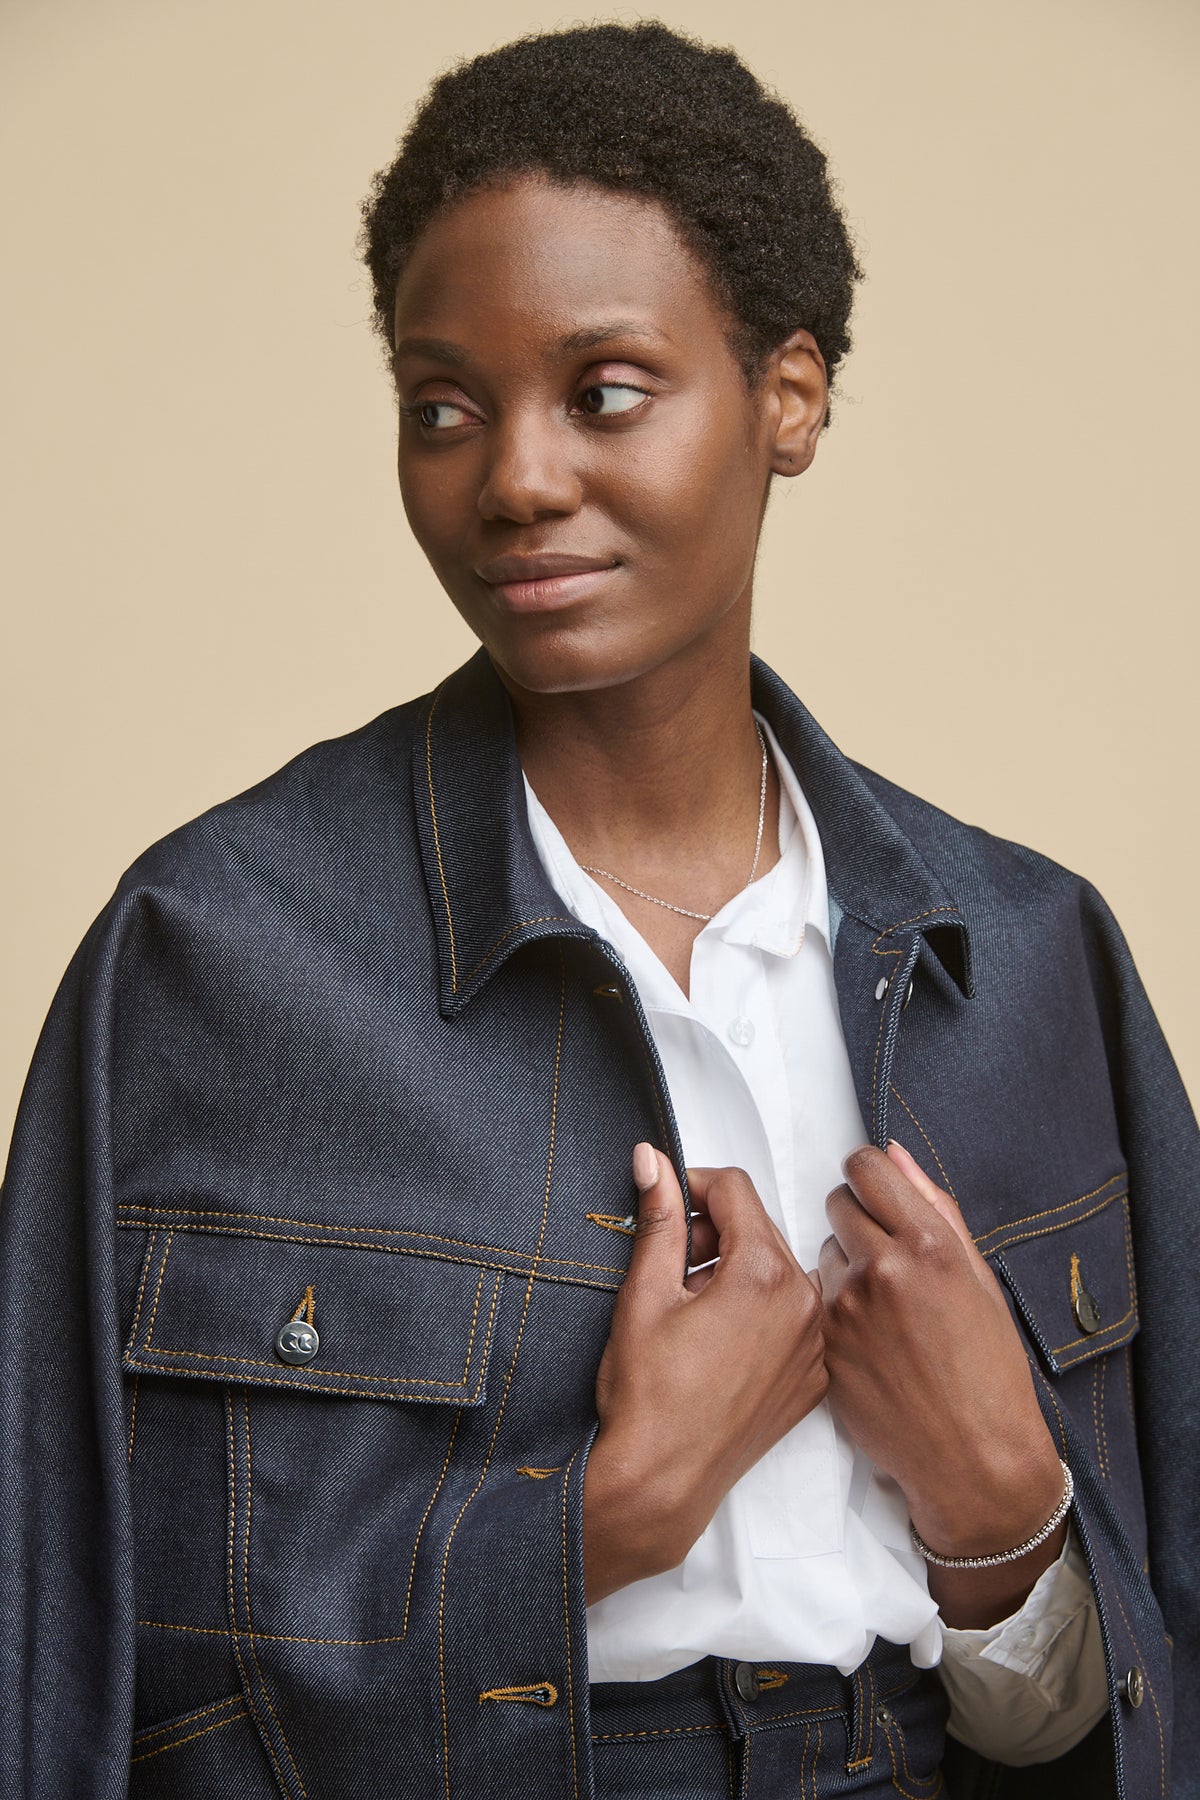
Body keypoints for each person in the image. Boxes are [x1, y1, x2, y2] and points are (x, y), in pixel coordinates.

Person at [0, 20, 1194, 1800]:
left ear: (788, 397)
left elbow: (1109, 1718)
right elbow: (68, 1667)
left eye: (606, 391)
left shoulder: (1028, 964)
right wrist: (600, 1522)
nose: (516, 481)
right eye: (443, 407)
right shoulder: (210, 958)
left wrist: (1002, 1517)